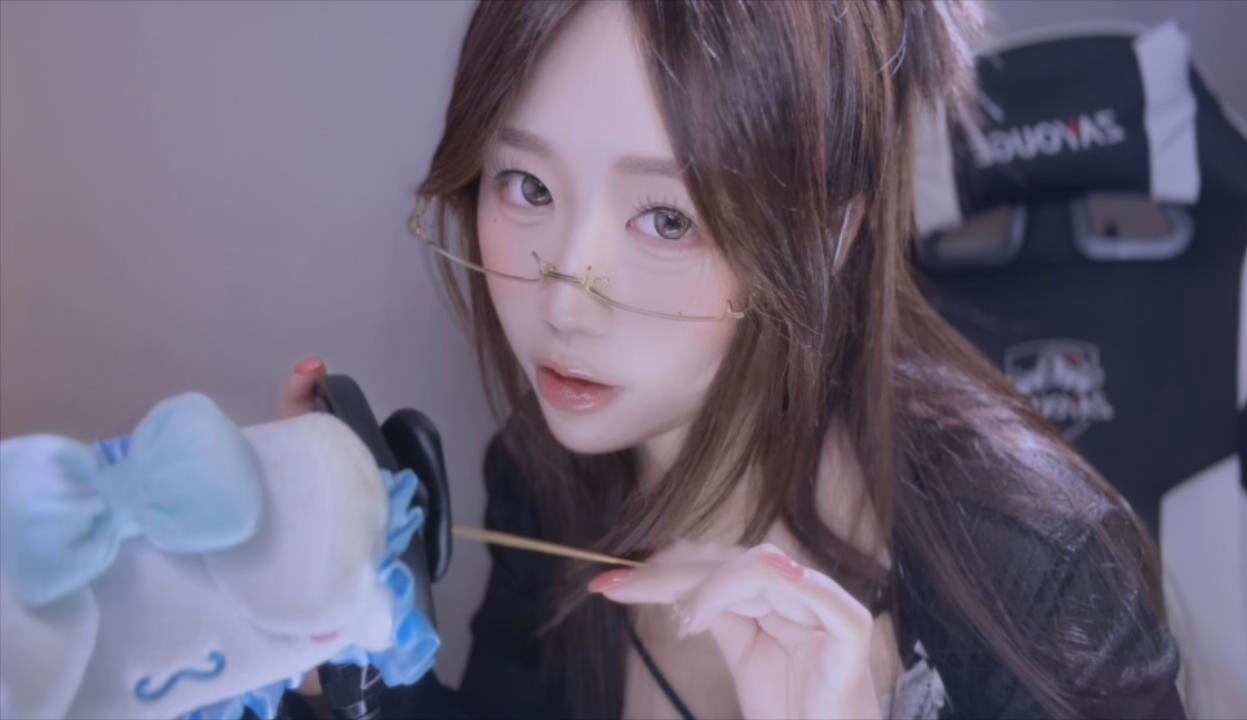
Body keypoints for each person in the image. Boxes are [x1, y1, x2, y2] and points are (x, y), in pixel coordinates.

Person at [281, 2, 1185, 718]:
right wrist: (342, 657)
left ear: (830, 234)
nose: (563, 303)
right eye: (526, 185)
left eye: (667, 219)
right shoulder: (542, 470)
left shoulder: (1037, 571)